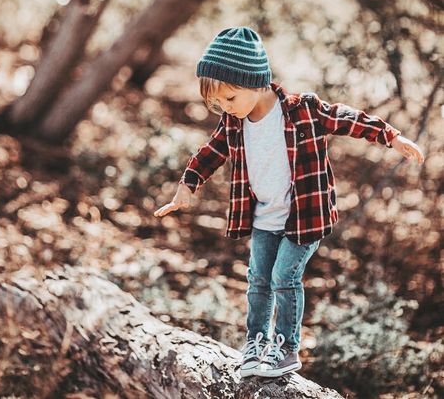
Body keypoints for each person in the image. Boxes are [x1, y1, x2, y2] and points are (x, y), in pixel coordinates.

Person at [153, 27, 424, 378]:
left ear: (255, 82)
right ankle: (255, 343)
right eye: (217, 103)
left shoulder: (301, 111)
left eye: (229, 98)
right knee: (258, 280)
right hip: (264, 218)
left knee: (284, 275)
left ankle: (286, 347)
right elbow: (210, 153)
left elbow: (345, 118)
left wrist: (391, 136)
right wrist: (188, 184)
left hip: (304, 217)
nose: (224, 108)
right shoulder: (233, 123)